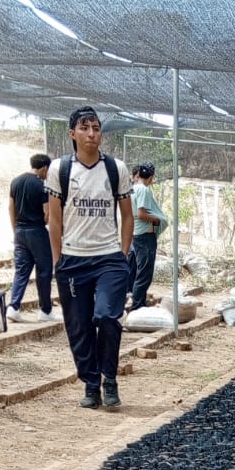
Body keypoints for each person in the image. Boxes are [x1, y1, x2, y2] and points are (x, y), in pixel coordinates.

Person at [45, 106, 133, 411]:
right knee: (79, 326)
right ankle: (91, 385)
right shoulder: (60, 170)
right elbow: (54, 220)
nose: (91, 134)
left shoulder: (116, 169)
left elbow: (127, 215)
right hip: (73, 260)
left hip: (109, 258)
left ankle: (110, 378)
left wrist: (122, 255)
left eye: (96, 128)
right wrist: (58, 261)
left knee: (107, 316)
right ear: (73, 134)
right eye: (84, 128)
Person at [6, 153, 55, 322]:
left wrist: (15, 230)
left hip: (20, 231)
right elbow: (47, 213)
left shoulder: (15, 182)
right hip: (37, 231)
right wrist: (45, 220)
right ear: (45, 168)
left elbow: (10, 208)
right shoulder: (41, 186)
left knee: (21, 270)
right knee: (44, 270)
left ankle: (13, 307)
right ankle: (45, 310)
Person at [129, 163, 168, 312]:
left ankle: (137, 303)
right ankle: (137, 307)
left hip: (137, 234)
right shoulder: (144, 190)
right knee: (144, 274)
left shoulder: (132, 189)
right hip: (145, 235)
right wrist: (157, 220)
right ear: (151, 178)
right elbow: (141, 214)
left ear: (138, 174)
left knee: (140, 271)